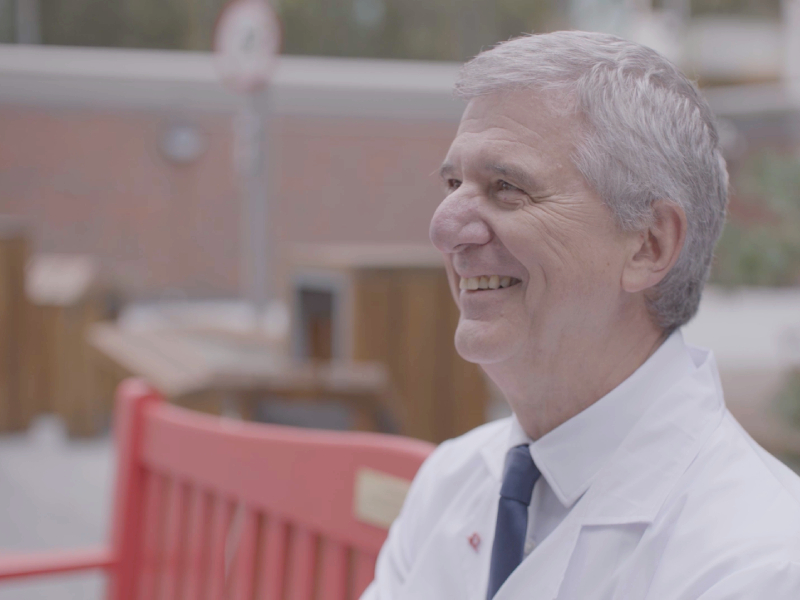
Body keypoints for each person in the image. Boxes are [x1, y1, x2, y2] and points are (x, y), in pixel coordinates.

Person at [361, 31, 800, 600]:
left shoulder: (759, 562)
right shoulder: (451, 481)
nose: (444, 227)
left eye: (506, 187)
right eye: (453, 183)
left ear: (649, 245)